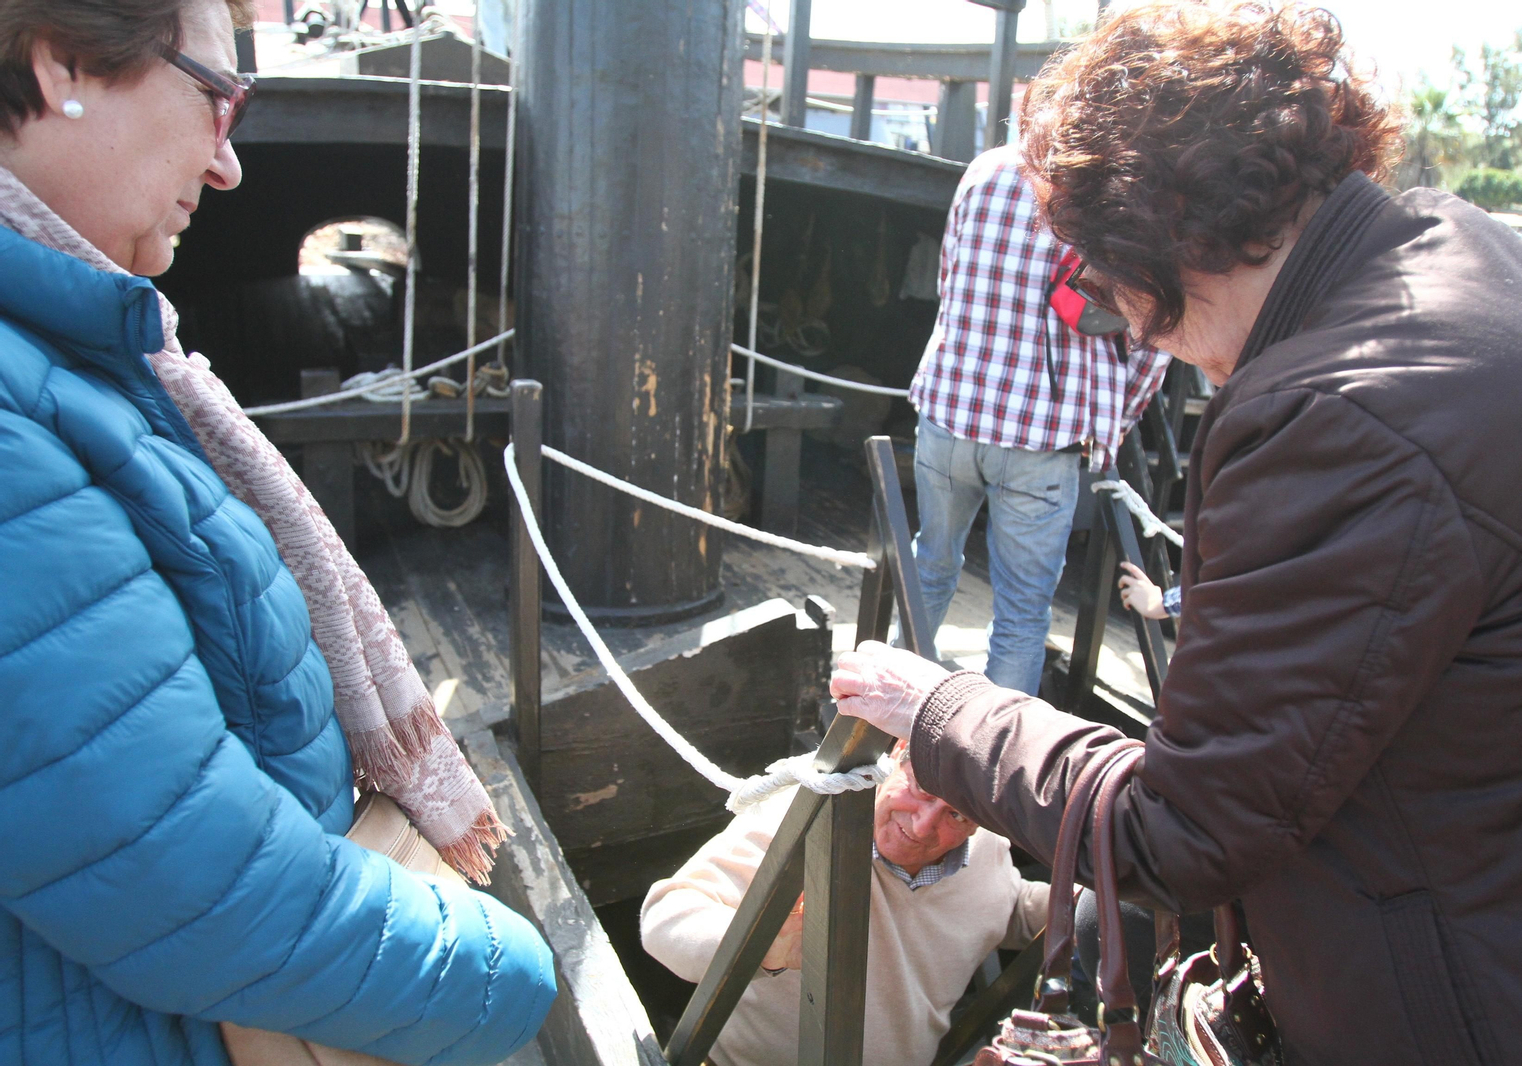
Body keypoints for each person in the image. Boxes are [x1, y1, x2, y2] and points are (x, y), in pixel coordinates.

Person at [830, 3, 1522, 1063]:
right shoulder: (1477, 260)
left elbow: (1180, 832)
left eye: (1101, 292)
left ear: (1164, 234)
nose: (1136, 333)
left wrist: (939, 710)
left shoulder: (1336, 415)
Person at [0, 3, 555, 1064]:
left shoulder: (95, 360)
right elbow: (183, 876)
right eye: (216, 97)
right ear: (59, 63)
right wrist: (515, 974)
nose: (229, 167)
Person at [907, 143, 1170, 696]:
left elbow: (949, 281)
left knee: (928, 569)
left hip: (952, 407)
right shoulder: (1113, 189)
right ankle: (992, 771)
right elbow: (1153, 339)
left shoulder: (984, 169)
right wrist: (1115, 423)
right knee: (1022, 615)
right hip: (1046, 433)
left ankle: (880, 721)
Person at [639, 744, 1048, 1066]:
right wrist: (762, 944)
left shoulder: (987, 852)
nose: (923, 825)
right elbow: (666, 914)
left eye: (956, 815)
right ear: (900, 750)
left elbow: (1006, 910)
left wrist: (1087, 901)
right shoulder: (804, 812)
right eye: (922, 789)